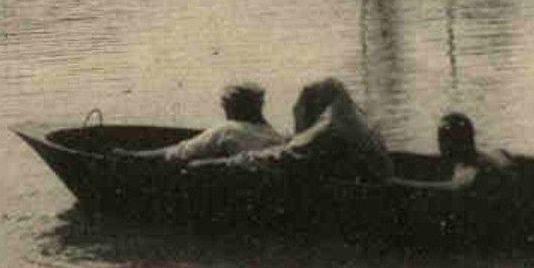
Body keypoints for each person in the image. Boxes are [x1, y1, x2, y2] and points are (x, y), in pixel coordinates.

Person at [192, 77, 393, 182]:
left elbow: (281, 157)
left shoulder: (328, 128)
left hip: (360, 187)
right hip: (371, 176)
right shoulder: (352, 115)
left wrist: (224, 164)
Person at [120, 83, 284, 163]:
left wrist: (131, 156)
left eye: (225, 107)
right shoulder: (276, 135)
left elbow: (177, 153)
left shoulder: (228, 130)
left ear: (232, 108)